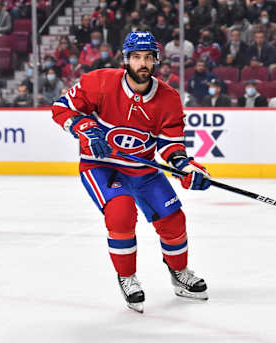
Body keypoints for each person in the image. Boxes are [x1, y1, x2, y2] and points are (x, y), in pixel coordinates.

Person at [51, 31, 210, 313]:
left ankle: (179, 273)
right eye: (136, 57)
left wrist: (184, 166)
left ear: (156, 61)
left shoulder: (168, 98)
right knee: (121, 213)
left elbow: (171, 143)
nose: (142, 63)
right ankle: (127, 277)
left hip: (143, 169)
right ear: (126, 60)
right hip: (101, 165)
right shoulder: (99, 81)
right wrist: (83, 128)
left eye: (148, 57)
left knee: (174, 220)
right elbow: (61, 107)